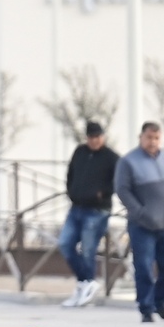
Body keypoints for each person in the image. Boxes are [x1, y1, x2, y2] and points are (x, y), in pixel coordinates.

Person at [115, 122, 164, 323]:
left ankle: (160, 302)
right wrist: (139, 211)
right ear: (141, 137)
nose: (152, 142)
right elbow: (122, 189)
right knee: (144, 266)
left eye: (156, 138)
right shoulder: (128, 162)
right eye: (149, 138)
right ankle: (145, 307)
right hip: (142, 225)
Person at [58, 122, 118, 308]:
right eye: (91, 137)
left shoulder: (111, 157)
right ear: (87, 138)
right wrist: (71, 191)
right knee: (65, 243)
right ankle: (86, 283)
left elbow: (119, 180)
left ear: (103, 137)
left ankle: (86, 284)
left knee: (88, 249)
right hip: (76, 206)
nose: (95, 140)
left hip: (97, 210)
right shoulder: (80, 152)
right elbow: (71, 174)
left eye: (98, 137)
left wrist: (102, 193)